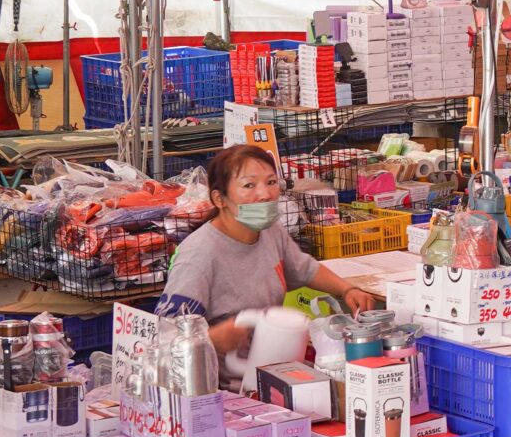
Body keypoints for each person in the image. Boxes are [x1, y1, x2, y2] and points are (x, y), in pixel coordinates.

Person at [158, 144, 379, 354]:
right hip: (217, 384)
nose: (265, 194)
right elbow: (166, 341)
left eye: (271, 182)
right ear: (219, 199)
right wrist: (211, 339)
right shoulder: (198, 256)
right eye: (249, 185)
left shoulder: (270, 230)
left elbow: (304, 268)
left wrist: (347, 290)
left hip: (266, 366)